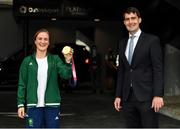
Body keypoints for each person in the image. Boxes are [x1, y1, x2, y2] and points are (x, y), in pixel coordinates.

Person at [114, 7, 164, 128]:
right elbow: (122, 71)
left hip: (147, 97)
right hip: (127, 98)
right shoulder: (122, 43)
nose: (130, 22)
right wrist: (118, 95)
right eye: (127, 19)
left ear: (139, 20)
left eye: (133, 18)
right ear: (124, 22)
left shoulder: (152, 40)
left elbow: (158, 69)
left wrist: (158, 95)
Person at [17, 28, 73, 128]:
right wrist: (20, 104)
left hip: (52, 106)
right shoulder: (27, 61)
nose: (42, 41)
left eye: (45, 39)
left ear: (49, 42)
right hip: (33, 107)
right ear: (35, 41)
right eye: (40, 39)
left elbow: (66, 75)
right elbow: (22, 84)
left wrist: (68, 62)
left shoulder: (55, 59)